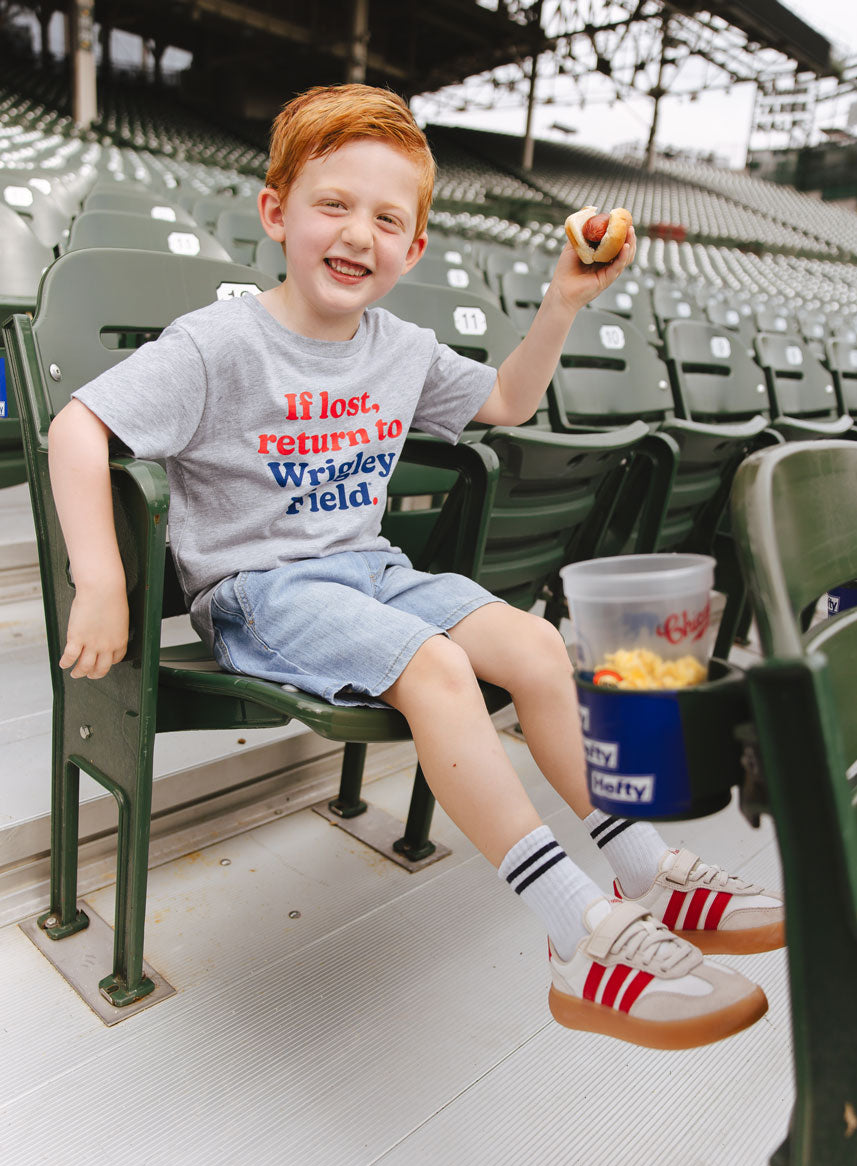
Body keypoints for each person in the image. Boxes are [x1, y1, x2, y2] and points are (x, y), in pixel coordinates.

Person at [48, 83, 783, 1050]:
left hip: (372, 571)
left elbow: (511, 404)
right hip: (258, 591)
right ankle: (579, 935)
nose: (358, 233)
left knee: (533, 643)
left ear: (415, 249)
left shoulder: (398, 346)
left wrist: (562, 298)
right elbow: (77, 423)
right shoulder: (218, 342)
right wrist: (101, 577)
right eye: (333, 205)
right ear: (277, 214)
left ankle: (643, 867)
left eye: (387, 219)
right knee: (438, 668)